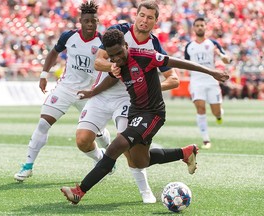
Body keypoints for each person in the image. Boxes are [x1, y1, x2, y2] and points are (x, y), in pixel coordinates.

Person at [60, 28, 229, 205]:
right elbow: (111, 78)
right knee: (141, 161)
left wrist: (212, 72)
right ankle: (185, 152)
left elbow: (178, 62)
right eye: (112, 56)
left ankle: (79, 191)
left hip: (153, 114)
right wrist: (92, 92)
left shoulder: (145, 56)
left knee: (115, 148)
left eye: (119, 53)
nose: (117, 59)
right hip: (135, 112)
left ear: (126, 45)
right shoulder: (116, 62)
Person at [75, 0, 179, 203]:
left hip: (128, 99)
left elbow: (174, 80)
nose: (144, 20)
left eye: (150, 18)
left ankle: (145, 190)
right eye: (142, 15)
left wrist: (149, 87)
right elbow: (98, 61)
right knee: (82, 140)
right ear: (136, 15)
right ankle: (103, 160)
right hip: (102, 93)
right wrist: (110, 67)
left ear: (155, 22)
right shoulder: (119, 32)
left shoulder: (154, 45)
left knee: (128, 145)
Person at [14, 1, 111, 182]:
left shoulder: (104, 42)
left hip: (89, 93)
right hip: (65, 88)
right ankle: (27, 166)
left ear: (97, 22)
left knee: (97, 132)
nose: (90, 24)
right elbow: (53, 53)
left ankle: (106, 155)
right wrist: (44, 74)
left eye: (93, 21)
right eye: (87, 21)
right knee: (43, 124)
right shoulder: (69, 36)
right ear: (80, 21)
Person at [184, 17, 231, 149]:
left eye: (202, 25)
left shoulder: (213, 43)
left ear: (206, 27)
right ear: (194, 28)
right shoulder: (189, 46)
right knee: (200, 107)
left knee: (216, 112)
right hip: (196, 81)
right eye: (197, 25)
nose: (199, 27)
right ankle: (206, 139)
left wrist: (221, 56)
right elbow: (186, 64)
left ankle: (219, 115)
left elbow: (227, 60)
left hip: (211, 81)